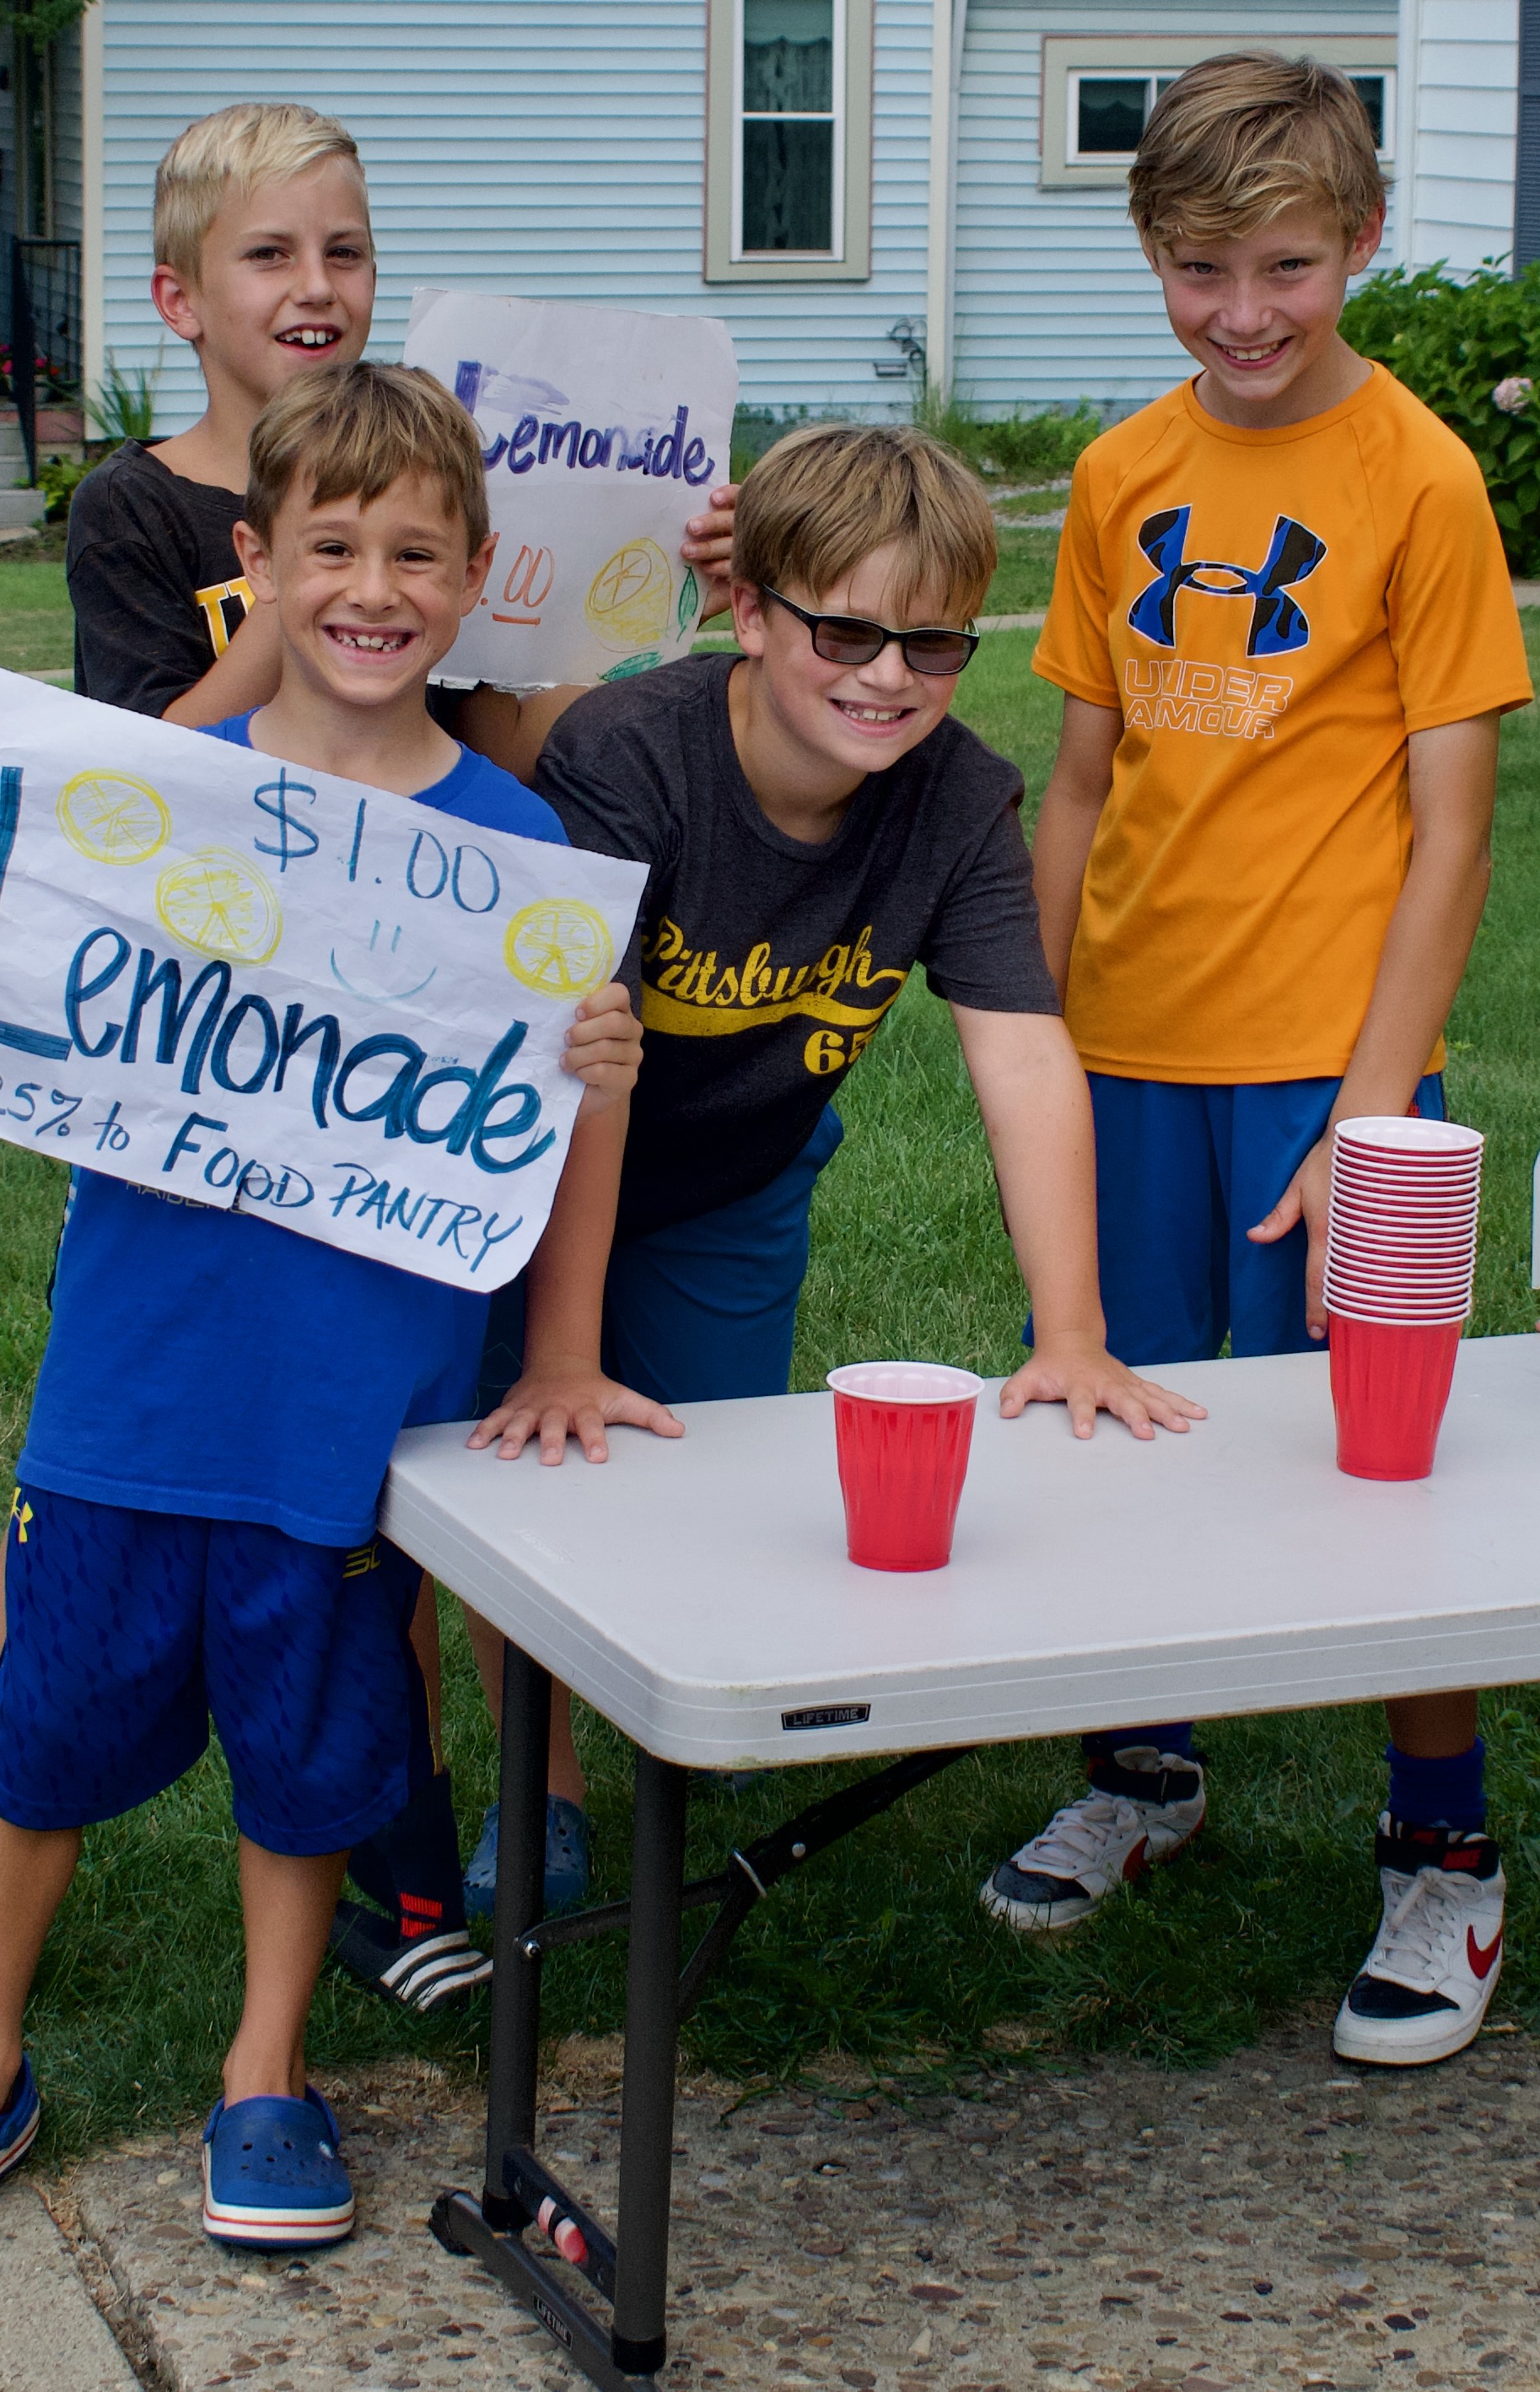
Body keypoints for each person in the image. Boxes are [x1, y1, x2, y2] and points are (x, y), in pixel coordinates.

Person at [0, 361, 644, 2255]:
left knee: (309, 1748)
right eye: (331, 546)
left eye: (415, 553)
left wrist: (587, 1117)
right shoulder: (138, 803)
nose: (372, 588)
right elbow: (4, 955)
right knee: (35, 1732)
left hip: (350, 1403)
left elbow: (575, 1121)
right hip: (135, 1371)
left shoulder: (523, 855)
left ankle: (264, 2069)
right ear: (258, 560)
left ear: (474, 577)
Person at [972, 52, 1534, 2070]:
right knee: (1122, 1405)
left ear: (1358, 244)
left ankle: (1443, 1844)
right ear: (1151, 253)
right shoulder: (1123, 476)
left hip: (1331, 1065)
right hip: (1125, 1047)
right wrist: (1027, 1027)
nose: (1242, 309)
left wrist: (1376, 1100)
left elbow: (1454, 820)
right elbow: (1079, 774)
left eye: (1284, 263)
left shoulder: (1422, 477)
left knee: (1372, 1470)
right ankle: (1145, 1763)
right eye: (1200, 265)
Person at [453, 423, 1204, 1891]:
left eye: (933, 645)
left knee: (699, 1474)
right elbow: (581, 1058)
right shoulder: (626, 756)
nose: (887, 677)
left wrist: (1072, 1334)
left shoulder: (958, 795)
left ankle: (667, 1731)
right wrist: (559, 1343)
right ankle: (539, 1787)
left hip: (738, 1175)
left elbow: (1024, 1051)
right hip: (542, 1157)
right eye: (846, 630)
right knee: (524, 1463)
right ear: (751, 611)